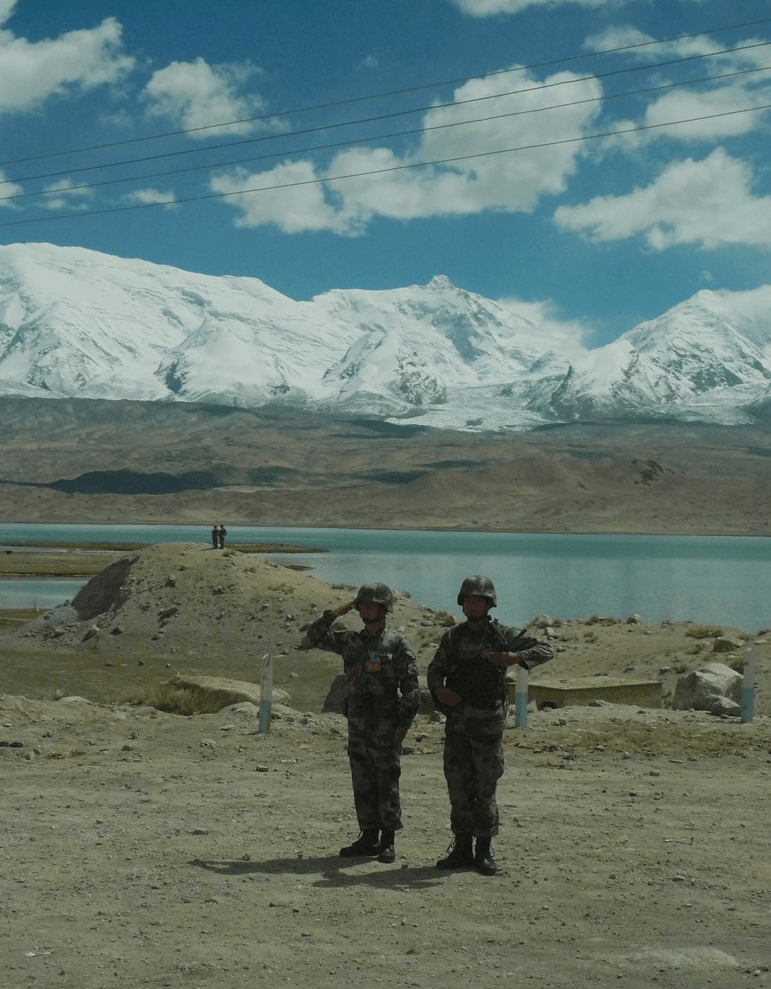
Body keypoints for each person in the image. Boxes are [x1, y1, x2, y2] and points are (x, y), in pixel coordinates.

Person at [427, 575, 553, 876]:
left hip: (488, 726)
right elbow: (434, 670)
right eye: (468, 600)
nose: (473, 606)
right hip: (457, 724)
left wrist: (514, 657)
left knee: (484, 788)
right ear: (462, 604)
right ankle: (460, 848)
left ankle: (483, 850)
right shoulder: (452, 637)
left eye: (478, 601)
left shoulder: (502, 634)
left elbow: (546, 649)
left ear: (488, 604)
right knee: (458, 787)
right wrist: (439, 689)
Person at [300, 583, 420, 864]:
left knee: (387, 781)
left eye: (371, 604)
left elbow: (412, 690)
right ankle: (368, 837)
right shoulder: (349, 640)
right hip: (357, 726)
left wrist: (403, 726)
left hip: (386, 728)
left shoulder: (397, 644)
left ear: (383, 608)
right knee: (362, 781)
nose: (365, 609)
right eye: (361, 605)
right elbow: (312, 638)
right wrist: (334, 613)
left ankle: (387, 840)